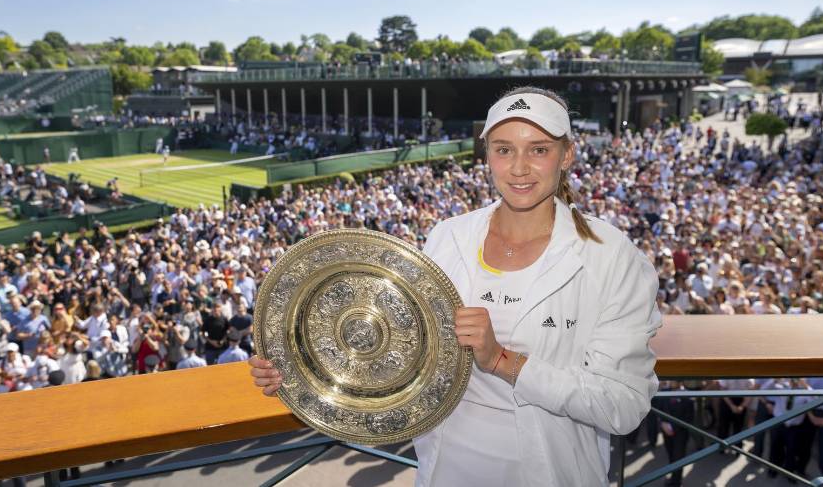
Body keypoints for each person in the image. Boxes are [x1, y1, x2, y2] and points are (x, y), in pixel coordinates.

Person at [249, 86, 662, 486]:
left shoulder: (612, 257)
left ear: (567, 154)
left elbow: (623, 405)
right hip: (445, 468)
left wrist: (503, 360)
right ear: (487, 156)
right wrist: (302, 369)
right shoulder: (448, 237)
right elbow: (399, 350)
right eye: (504, 150)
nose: (519, 168)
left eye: (538, 150)